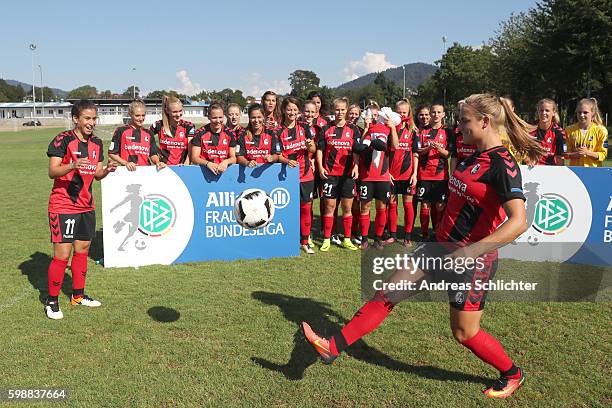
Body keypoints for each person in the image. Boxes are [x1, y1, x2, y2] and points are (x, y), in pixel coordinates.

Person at [302, 93, 547, 399]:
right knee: (387, 292)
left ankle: (513, 374)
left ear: (485, 122)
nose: (459, 126)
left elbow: (518, 221)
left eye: (465, 120)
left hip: (471, 262)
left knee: (464, 333)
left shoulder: (503, 165)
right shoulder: (471, 154)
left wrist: (469, 252)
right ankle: (332, 347)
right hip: (437, 248)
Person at [45, 99, 117, 320]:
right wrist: (73, 165)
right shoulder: (62, 140)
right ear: (76, 119)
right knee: (62, 254)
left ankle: (78, 295)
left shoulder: (96, 143)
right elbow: (53, 171)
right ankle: (52, 302)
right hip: (63, 205)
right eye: (87, 118)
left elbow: (96, 174)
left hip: (86, 205)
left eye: (94, 118)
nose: (91, 122)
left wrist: (107, 170)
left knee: (83, 249)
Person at [316, 97, 363, 251]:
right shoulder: (326, 129)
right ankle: (327, 239)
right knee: (330, 206)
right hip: (330, 174)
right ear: (333, 110)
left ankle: (347, 239)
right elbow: (320, 150)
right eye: (337, 109)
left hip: (348, 175)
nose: (340, 112)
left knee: (347, 208)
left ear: (347, 110)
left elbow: (356, 150)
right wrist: (321, 166)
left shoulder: (354, 129)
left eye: (343, 109)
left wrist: (356, 166)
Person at [276, 97, 317, 254]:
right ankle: (288, 239)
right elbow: (277, 154)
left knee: (306, 208)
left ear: (298, 111)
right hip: (286, 176)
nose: (292, 112)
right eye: (289, 109)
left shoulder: (305, 127)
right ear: (284, 110)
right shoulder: (278, 131)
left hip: (306, 175)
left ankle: (305, 241)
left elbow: (312, 149)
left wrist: (309, 145)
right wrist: (286, 160)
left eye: (295, 109)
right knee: (288, 209)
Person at [357, 102, 396, 250]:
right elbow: (361, 147)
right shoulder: (366, 129)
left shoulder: (386, 128)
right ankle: (365, 239)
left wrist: (392, 128)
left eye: (375, 115)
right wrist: (366, 129)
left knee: (381, 208)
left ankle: (378, 238)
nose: (372, 117)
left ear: (379, 116)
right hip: (367, 176)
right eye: (370, 115)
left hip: (382, 177)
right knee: (365, 207)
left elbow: (396, 146)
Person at [415, 103, 451, 239]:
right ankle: (424, 234)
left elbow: (448, 154)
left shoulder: (448, 132)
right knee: (425, 204)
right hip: (424, 175)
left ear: (443, 115)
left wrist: (439, 149)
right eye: (433, 112)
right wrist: (429, 148)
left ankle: (437, 232)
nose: (436, 115)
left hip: (441, 176)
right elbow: (418, 151)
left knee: (440, 205)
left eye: (438, 112)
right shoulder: (422, 131)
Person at [387, 99, 419, 247]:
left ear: (409, 113)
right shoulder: (388, 129)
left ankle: (407, 236)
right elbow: (385, 153)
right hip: (391, 175)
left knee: (408, 206)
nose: (401, 115)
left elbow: (415, 154)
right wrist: (386, 171)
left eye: (404, 112)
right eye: (399, 112)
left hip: (407, 175)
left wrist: (414, 174)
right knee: (392, 205)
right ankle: (392, 235)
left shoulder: (413, 131)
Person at [108, 100, 166, 171]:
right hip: (127, 172)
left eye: (143, 115)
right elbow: (112, 153)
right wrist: (126, 163)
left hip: (145, 172)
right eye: (137, 115)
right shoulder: (121, 131)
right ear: (130, 114)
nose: (141, 118)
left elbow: (153, 154)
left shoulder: (149, 133)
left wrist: (158, 162)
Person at [190, 103, 237, 175]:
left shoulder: (230, 134)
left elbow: (233, 158)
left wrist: (226, 162)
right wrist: (207, 163)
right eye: (214, 118)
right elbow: (194, 158)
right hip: (204, 173)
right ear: (208, 117)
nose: (218, 121)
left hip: (224, 173)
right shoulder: (200, 133)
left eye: (220, 117)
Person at [149, 95, 195, 165]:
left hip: (181, 167)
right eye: (174, 112)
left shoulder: (189, 126)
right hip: (163, 167)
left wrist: (186, 165)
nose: (178, 114)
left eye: (180, 111)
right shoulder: (158, 125)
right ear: (167, 111)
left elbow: (191, 150)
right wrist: (156, 153)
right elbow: (145, 139)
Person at [564, 98, 608, 167]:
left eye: (585, 112)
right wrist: (575, 154)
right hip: (575, 173)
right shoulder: (568, 130)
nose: (582, 115)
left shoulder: (601, 130)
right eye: (579, 112)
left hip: (593, 172)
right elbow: (565, 153)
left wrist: (587, 153)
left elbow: (603, 155)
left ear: (592, 113)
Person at [528, 99, 566, 165]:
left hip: (550, 170)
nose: (544, 113)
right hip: (531, 169)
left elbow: (560, 158)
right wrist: (528, 160)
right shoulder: (530, 129)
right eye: (541, 110)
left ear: (553, 112)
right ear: (538, 112)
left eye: (547, 110)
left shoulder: (559, 132)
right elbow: (523, 152)